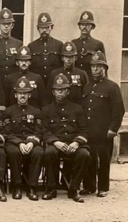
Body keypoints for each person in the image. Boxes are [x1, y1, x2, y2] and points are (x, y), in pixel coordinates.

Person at [81, 51, 125, 197]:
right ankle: (89, 186)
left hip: (104, 131)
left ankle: (103, 188)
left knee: (103, 160)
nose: (95, 69)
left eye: (99, 66)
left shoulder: (112, 87)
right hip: (89, 131)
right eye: (93, 66)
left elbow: (118, 110)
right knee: (90, 158)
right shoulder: (87, 87)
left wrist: (113, 129)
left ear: (104, 68)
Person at [42, 74, 91, 203]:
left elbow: (84, 130)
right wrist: (55, 142)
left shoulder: (77, 109)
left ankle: (73, 189)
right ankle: (51, 188)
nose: (60, 92)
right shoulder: (46, 110)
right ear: (53, 92)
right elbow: (44, 131)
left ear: (68, 91)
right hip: (56, 143)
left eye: (63, 89)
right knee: (49, 152)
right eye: (57, 89)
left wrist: (76, 142)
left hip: (73, 143)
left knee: (84, 154)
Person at [3, 77, 44, 200]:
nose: (22, 96)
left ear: (29, 95)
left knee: (39, 152)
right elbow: (6, 132)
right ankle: (17, 186)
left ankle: (32, 187)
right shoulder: (8, 112)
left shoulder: (36, 112)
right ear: (15, 95)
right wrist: (19, 143)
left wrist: (31, 143)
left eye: (25, 93)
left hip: (31, 141)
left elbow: (39, 131)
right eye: (20, 93)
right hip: (14, 142)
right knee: (13, 152)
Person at [0, 7, 23, 80]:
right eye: (3, 24)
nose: (6, 26)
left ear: (12, 25)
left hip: (13, 81)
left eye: (8, 23)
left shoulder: (18, 44)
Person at [28, 12, 63, 84]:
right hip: (37, 83)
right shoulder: (31, 46)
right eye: (42, 27)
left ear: (51, 28)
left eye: (47, 27)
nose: (44, 30)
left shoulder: (59, 45)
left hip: (54, 83)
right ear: (38, 29)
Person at [71, 11, 105, 80]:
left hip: (91, 79)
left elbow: (103, 67)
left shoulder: (98, 44)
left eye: (87, 25)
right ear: (79, 26)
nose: (84, 27)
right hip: (76, 79)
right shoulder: (73, 43)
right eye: (82, 25)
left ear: (92, 27)